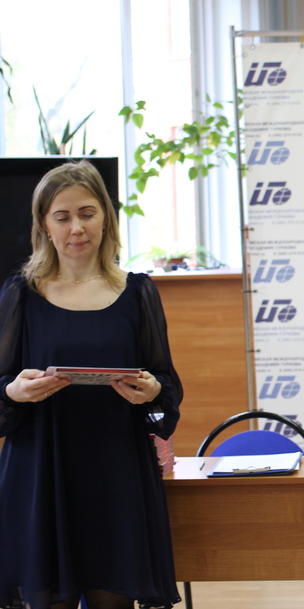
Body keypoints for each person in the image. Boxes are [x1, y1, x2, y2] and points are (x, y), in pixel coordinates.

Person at [0, 161, 183, 609]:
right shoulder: (21, 294)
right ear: (44, 226)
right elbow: (2, 384)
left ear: (106, 217)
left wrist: (152, 391)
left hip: (117, 472)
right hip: (41, 472)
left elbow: (165, 385)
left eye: (87, 213)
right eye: (62, 217)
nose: (76, 228)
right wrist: (12, 391)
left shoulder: (138, 292)